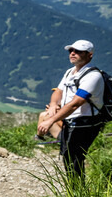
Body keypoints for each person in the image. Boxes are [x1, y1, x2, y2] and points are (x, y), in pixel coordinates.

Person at [37, 39, 105, 178]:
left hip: (85, 123)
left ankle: (78, 196)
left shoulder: (93, 76)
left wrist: (51, 121)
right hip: (71, 121)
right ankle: (75, 194)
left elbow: (76, 103)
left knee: (74, 159)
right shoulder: (70, 72)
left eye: (78, 51)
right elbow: (59, 91)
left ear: (89, 55)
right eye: (71, 51)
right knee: (68, 158)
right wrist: (54, 104)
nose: (73, 53)